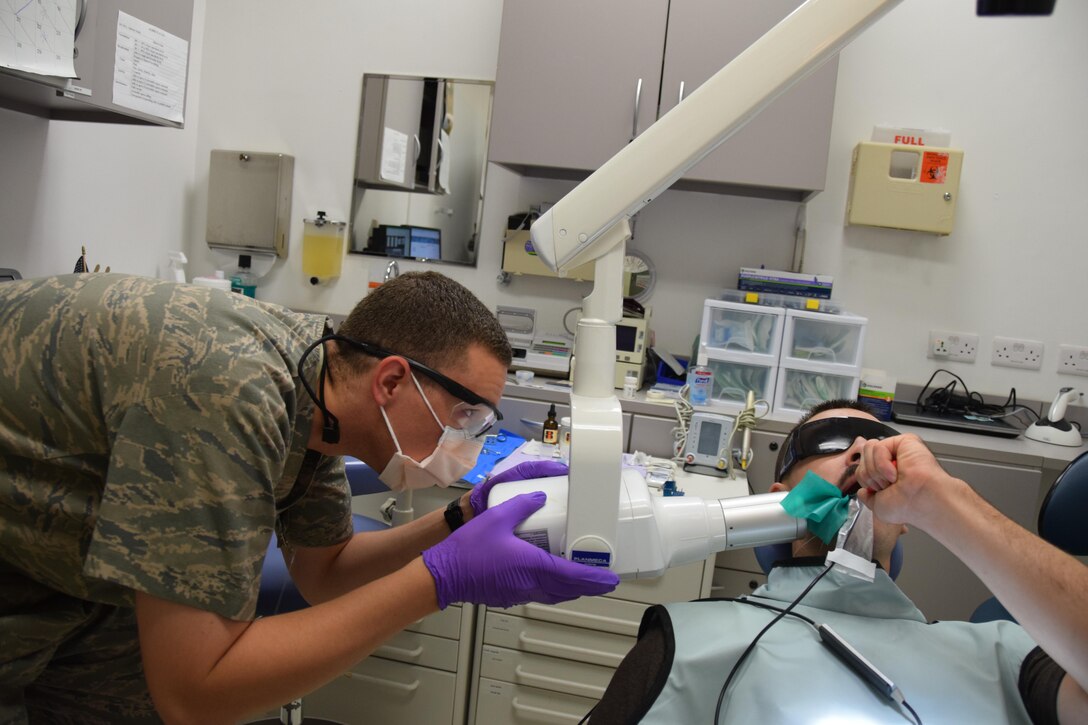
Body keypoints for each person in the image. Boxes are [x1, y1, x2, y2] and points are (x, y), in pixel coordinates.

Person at [0, 271, 616, 724]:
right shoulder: (227, 390)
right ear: (392, 380)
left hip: (72, 562)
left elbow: (325, 572)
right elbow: (195, 693)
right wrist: (438, 582)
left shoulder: (317, 383)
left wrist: (457, 520)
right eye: (465, 416)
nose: (467, 443)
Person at [591, 399, 1087, 723]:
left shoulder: (1004, 656)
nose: (863, 450)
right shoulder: (688, 641)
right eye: (832, 440)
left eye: (885, 446)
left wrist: (945, 501)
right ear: (783, 498)